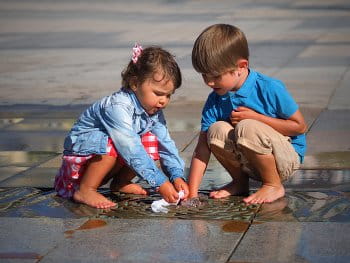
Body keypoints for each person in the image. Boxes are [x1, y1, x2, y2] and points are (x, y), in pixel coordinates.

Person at [54, 44, 189, 209]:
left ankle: (120, 182)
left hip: (106, 162)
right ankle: (86, 190)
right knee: (114, 142)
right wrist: (158, 182)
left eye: (169, 95)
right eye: (158, 93)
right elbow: (130, 148)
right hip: (82, 164)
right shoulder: (117, 106)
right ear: (134, 84)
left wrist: (176, 176)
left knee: (150, 140)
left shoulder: (153, 111)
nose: (164, 101)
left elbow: (165, 144)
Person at [187, 24, 307, 204]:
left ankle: (273, 185)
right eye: (204, 76)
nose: (209, 83)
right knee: (216, 130)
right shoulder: (215, 100)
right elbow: (202, 149)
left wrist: (256, 118)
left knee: (246, 126)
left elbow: (299, 126)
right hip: (250, 163)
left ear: (241, 66)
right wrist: (192, 193)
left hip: (284, 158)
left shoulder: (269, 88)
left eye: (216, 76)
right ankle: (240, 182)